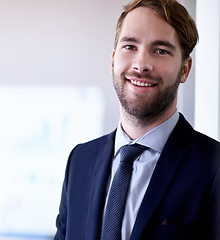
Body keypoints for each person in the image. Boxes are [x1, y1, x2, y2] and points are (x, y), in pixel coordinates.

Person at [54, 0, 220, 239]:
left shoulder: (213, 167)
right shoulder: (80, 161)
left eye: (161, 50)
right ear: (113, 60)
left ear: (185, 69)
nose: (141, 65)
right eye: (130, 46)